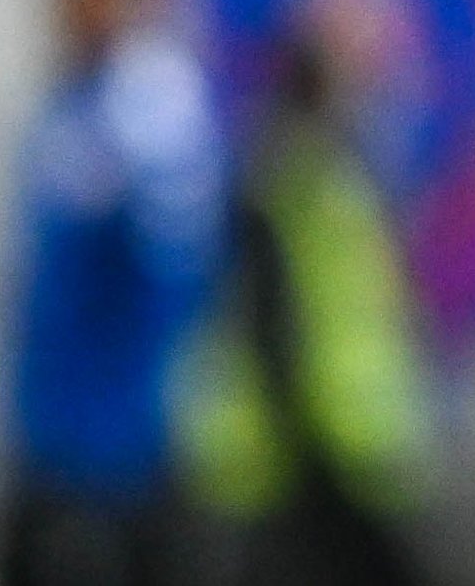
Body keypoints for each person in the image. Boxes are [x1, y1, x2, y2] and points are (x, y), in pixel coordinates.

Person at [0, 0, 227, 586]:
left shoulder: (154, 112)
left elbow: (178, 284)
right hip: (44, 445)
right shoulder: (67, 101)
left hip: (121, 465)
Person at [180, 37, 433, 586]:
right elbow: (269, 324)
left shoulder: (330, 173)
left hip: (344, 445)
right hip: (308, 455)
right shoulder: (288, 181)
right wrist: (308, 445)